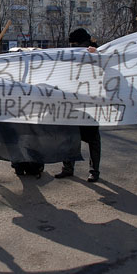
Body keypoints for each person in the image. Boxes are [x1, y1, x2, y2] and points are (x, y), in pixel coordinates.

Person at [55, 28, 102, 183]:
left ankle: (93, 170)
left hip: (90, 102)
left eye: (75, 44)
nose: (73, 47)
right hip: (74, 102)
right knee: (70, 135)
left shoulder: (96, 53)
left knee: (92, 138)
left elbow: (108, 63)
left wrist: (97, 54)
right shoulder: (73, 55)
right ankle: (69, 168)